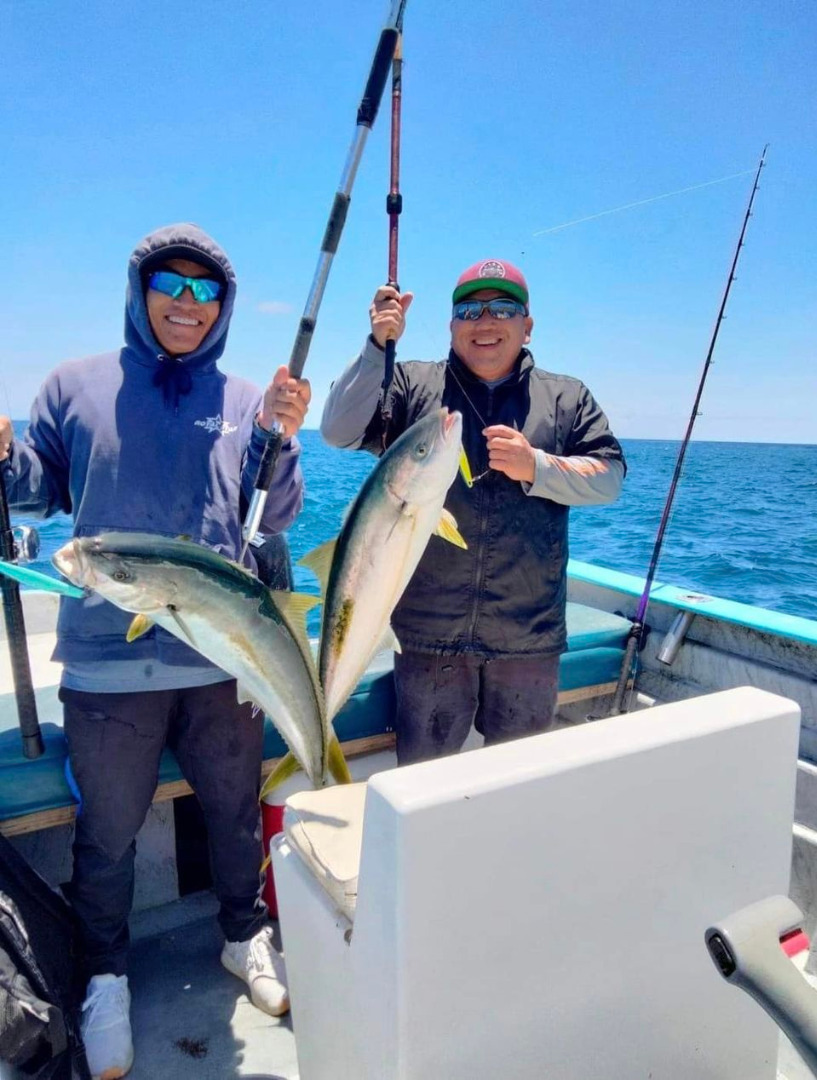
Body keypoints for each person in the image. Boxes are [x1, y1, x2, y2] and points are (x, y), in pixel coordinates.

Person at [0, 223, 311, 1080]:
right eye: (170, 285)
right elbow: (34, 491)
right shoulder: (74, 384)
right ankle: (104, 975)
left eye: (206, 290)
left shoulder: (250, 397)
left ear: (225, 306)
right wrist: (2, 454)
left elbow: (276, 514)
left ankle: (244, 935)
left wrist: (283, 438)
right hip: (107, 657)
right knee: (106, 834)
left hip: (222, 654)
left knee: (234, 810)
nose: (187, 303)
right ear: (140, 291)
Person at [321, 258, 625, 766]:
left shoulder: (566, 398)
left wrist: (538, 466)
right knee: (423, 788)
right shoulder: (411, 385)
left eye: (503, 308)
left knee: (518, 788)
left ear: (527, 326)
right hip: (428, 639)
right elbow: (337, 430)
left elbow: (610, 477)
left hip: (528, 639)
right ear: (451, 325)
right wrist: (377, 348)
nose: (485, 321)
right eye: (469, 309)